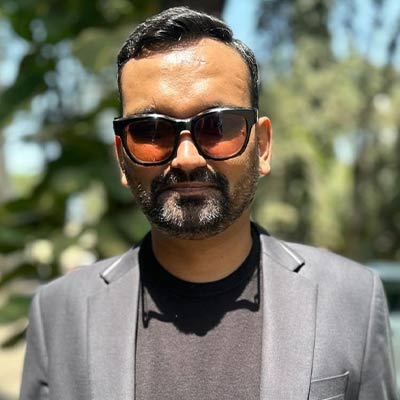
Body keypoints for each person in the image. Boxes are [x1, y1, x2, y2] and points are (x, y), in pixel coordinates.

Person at [20, 6, 397, 400]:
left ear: (262, 146)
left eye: (217, 125)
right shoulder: (58, 314)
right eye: (151, 130)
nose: (186, 158)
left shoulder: (351, 299)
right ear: (122, 157)